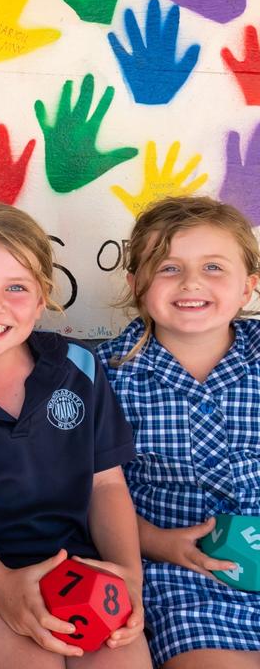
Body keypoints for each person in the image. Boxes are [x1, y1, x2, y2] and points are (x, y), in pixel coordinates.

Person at [0, 203, 151, 668]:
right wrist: (1, 587)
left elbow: (106, 485)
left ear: (42, 297)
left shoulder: (78, 369)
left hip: (82, 567)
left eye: (16, 287)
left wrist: (128, 575)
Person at [96, 196, 260, 669]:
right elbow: (97, 491)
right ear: (135, 284)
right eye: (168, 268)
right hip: (181, 577)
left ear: (248, 287)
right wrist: (156, 542)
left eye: (213, 267)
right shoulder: (105, 375)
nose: (191, 283)